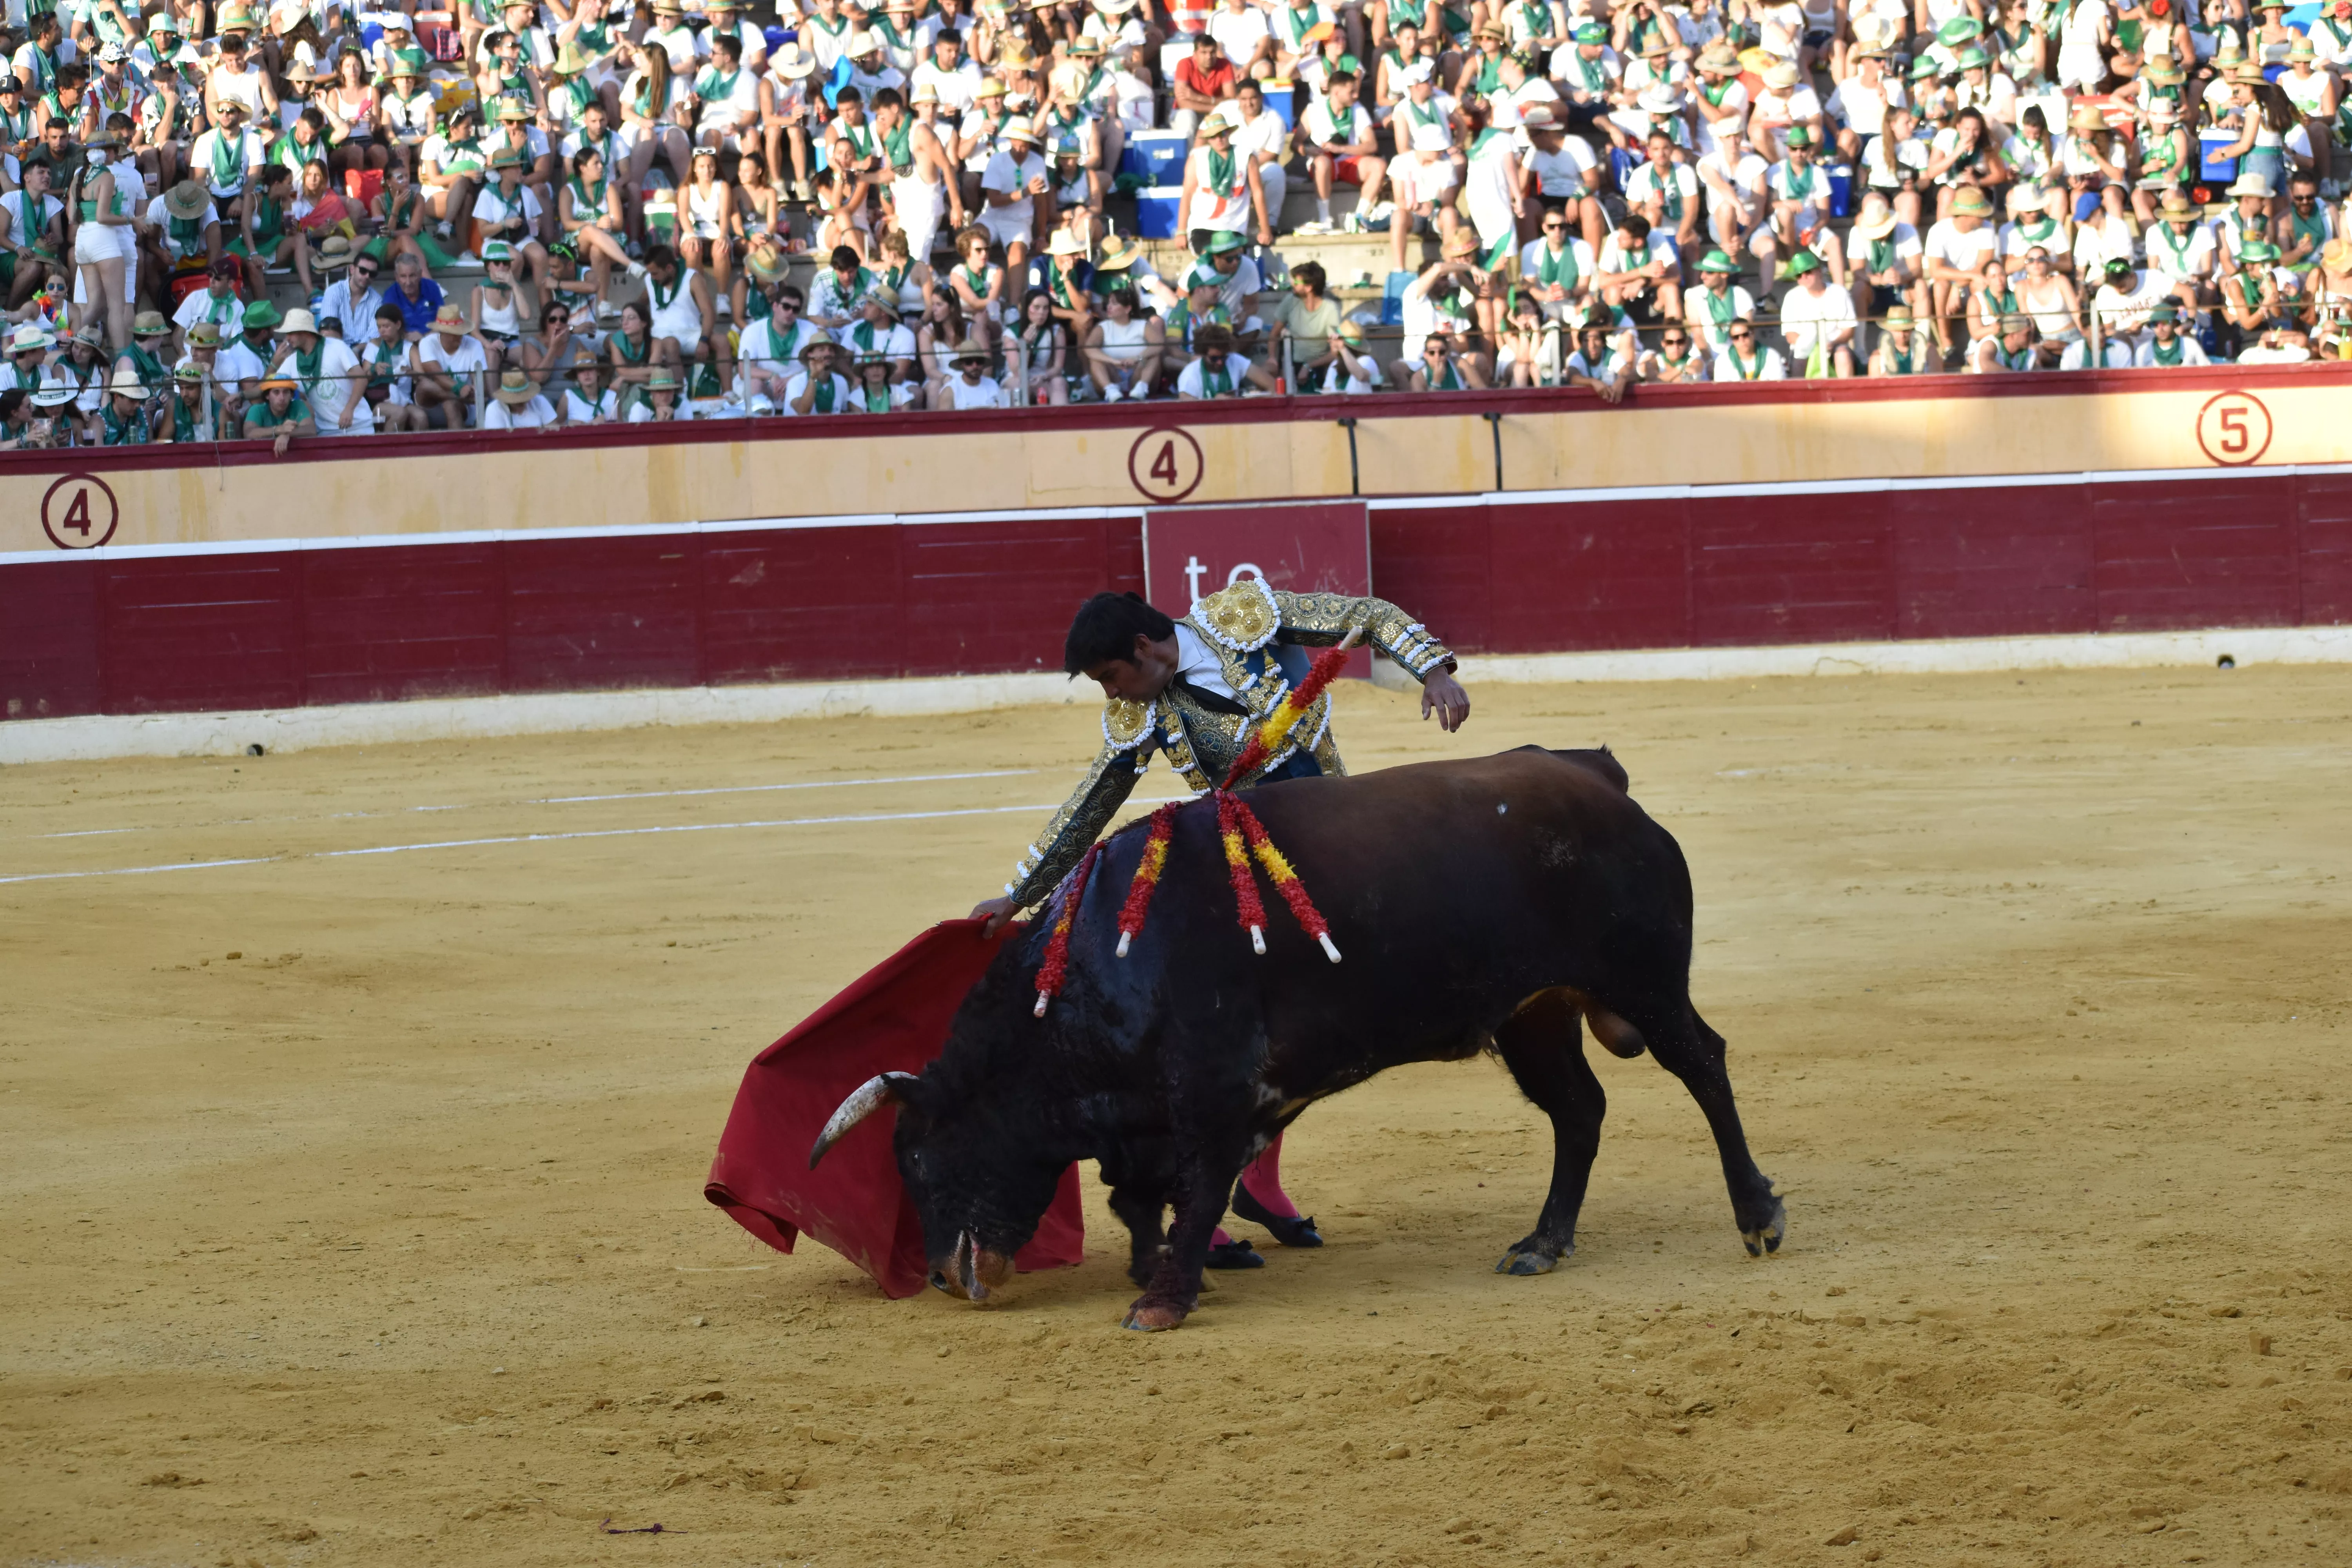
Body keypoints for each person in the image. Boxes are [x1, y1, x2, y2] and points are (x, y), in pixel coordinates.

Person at [968, 585, 1470, 1266]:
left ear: (1143, 648)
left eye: (1111, 676)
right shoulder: (1136, 712)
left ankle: (1255, 1183)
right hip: (1251, 876)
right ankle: (1209, 1199)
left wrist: (1431, 669)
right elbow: (1092, 802)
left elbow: (1366, 617)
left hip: (1333, 848)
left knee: (1322, 1026)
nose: (1112, 693)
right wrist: (1017, 892)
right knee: (1237, 1035)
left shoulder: (1241, 619)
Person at [241, 372, 315, 454]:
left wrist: (286, 434)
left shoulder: (298, 405)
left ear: (291, 395)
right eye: (276, 392)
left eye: (286, 392)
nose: (282, 398)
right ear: (267, 396)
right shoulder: (257, 409)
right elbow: (249, 433)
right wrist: (279, 430)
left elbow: (311, 430)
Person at [482, 365, 557, 428]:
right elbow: (497, 442)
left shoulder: (540, 401)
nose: (520, 402)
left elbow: (554, 432)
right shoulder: (494, 409)